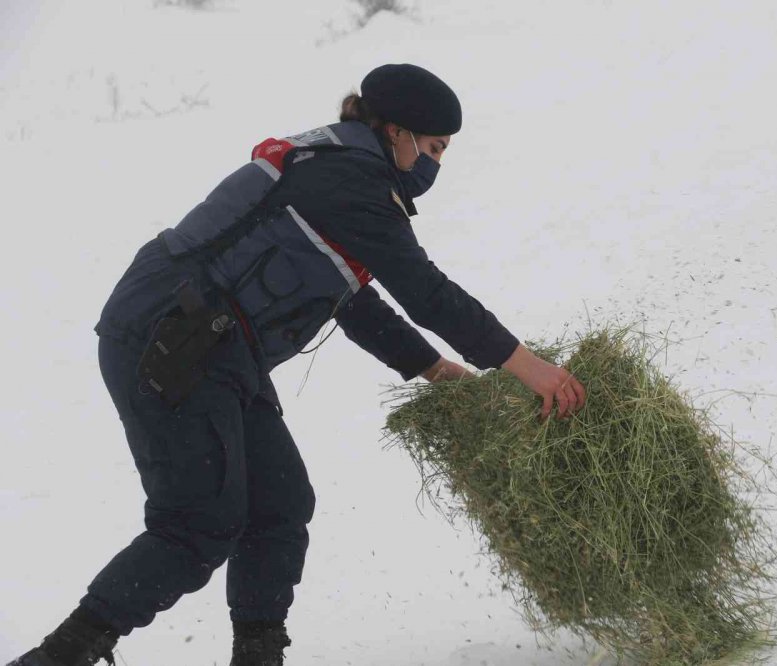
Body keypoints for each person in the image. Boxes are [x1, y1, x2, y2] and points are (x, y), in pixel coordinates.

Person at [6, 64, 587, 666]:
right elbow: (426, 291)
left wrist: (432, 367)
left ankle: (258, 656)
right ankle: (56, 658)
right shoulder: (350, 181)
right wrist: (529, 367)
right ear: (397, 133)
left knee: (278, 504)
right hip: (168, 334)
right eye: (435, 148)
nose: (437, 164)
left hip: (218, 344)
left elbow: (348, 297)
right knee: (198, 524)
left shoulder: (341, 168)